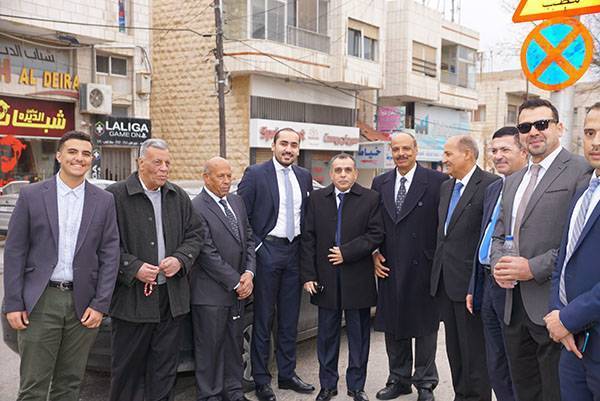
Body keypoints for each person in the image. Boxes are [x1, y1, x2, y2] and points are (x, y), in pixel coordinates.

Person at [3, 130, 120, 401]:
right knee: (33, 386)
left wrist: (100, 304)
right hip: (40, 301)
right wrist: (13, 303)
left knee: (69, 385)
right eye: (72, 152)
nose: (79, 158)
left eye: (86, 153)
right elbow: (15, 252)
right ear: (58, 156)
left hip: (83, 304)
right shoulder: (32, 195)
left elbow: (110, 254)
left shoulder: (104, 201)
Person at [490, 98, 591, 401]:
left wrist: (532, 268)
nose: (533, 131)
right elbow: (499, 234)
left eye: (541, 124)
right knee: (524, 390)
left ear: (559, 127)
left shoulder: (581, 171)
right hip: (513, 306)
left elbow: (579, 244)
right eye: (525, 127)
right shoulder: (513, 180)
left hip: (553, 307)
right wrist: (499, 265)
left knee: (553, 392)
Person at [106, 138, 203, 401]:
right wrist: (133, 267)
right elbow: (103, 245)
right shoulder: (115, 196)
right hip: (131, 301)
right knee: (127, 372)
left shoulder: (178, 196)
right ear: (140, 163)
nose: (164, 168)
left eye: (168, 163)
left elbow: (195, 235)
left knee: (164, 371)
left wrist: (180, 259)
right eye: (157, 162)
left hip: (171, 300)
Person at [238, 128, 315, 401]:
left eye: (294, 145)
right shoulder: (255, 174)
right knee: (263, 319)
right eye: (284, 143)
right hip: (266, 252)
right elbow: (241, 215)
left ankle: (287, 374)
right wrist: (258, 248)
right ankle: (261, 380)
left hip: (294, 254)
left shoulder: (304, 176)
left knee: (289, 319)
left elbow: (307, 217)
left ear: (298, 149)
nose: (288, 149)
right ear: (272, 146)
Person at [301, 153, 383, 401]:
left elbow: (376, 234)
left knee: (358, 336)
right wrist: (308, 275)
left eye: (348, 170)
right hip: (325, 279)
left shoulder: (370, 198)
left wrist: (346, 252)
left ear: (355, 173)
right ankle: (328, 386)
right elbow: (308, 238)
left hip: (357, 277)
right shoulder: (317, 199)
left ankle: (356, 386)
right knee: (326, 336)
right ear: (331, 174)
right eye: (338, 170)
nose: (343, 174)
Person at [371, 132, 447, 401]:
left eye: (406, 148)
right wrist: (374, 253)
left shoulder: (437, 181)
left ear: (416, 150)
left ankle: (425, 383)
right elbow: (373, 224)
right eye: (396, 149)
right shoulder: (380, 182)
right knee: (394, 325)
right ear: (391, 152)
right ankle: (398, 379)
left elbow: (444, 225)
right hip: (390, 263)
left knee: (425, 327)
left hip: (424, 264)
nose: (401, 153)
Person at [431, 134, 499, 401]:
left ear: (468, 154)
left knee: (475, 352)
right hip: (446, 282)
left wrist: (476, 283)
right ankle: (461, 395)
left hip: (472, 285)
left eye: (449, 154)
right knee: (455, 350)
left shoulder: (490, 185)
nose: (444, 159)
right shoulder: (446, 187)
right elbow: (444, 235)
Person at [466, 127, 527, 401]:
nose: (498, 155)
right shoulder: (493, 189)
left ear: (523, 151)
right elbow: (484, 239)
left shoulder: (530, 188)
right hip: (487, 282)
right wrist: (474, 285)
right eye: (494, 150)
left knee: (517, 361)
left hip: (514, 285)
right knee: (496, 362)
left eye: (505, 149)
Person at [545, 103, 600, 400]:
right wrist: (558, 315)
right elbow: (563, 262)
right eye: (590, 133)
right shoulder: (582, 192)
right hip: (572, 344)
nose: (596, 142)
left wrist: (568, 318)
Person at [190, 157, 256, 401]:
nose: (227, 181)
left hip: (238, 292)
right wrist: (237, 282)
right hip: (210, 294)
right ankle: (210, 396)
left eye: (229, 175)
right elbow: (206, 252)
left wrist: (249, 273)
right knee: (210, 351)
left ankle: (234, 392)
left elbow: (249, 238)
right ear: (206, 178)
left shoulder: (236, 201)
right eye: (221, 176)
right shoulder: (196, 207)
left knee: (233, 345)